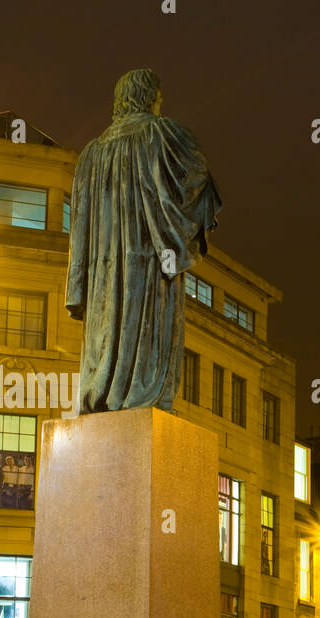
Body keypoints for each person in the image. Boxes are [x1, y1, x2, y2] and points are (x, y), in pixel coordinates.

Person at [66, 68, 222, 413]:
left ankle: (104, 391)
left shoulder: (90, 155)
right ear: (149, 98)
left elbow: (79, 231)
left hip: (102, 277)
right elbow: (197, 182)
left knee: (105, 336)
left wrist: (79, 285)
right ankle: (140, 395)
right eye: (159, 98)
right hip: (150, 265)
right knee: (150, 334)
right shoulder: (165, 136)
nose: (161, 105)